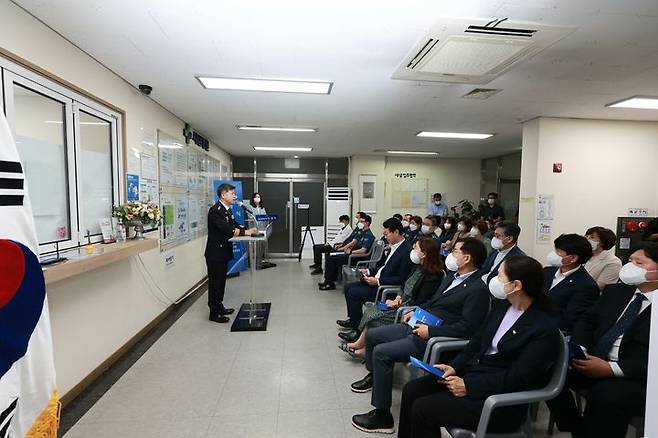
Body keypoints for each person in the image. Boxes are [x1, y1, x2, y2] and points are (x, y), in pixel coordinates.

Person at [396, 256, 560, 438]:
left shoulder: (543, 328)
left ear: (516, 285)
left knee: (423, 409)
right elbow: (477, 341)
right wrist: (454, 366)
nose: (494, 281)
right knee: (412, 390)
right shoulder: (504, 306)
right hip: (475, 374)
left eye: (499, 276)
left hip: (499, 401)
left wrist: (469, 385)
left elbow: (520, 378)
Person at [349, 238, 490, 433]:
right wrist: (416, 312)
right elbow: (433, 301)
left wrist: (430, 331)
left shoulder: (477, 290)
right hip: (419, 324)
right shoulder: (452, 277)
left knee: (382, 352)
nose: (450, 254)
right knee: (373, 335)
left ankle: (382, 416)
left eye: (455, 251)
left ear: (467, 258)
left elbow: (466, 328)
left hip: (432, 338)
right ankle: (376, 376)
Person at [547, 243, 658, 438]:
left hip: (640, 377)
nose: (630, 266)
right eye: (630, 260)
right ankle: (575, 427)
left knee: (606, 394)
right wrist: (580, 347)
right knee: (546, 366)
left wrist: (613, 369)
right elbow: (587, 319)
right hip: (595, 359)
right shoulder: (617, 291)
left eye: (639, 262)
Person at [340, 238, 444, 358]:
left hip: (409, 309)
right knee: (370, 311)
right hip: (401, 302)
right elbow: (404, 285)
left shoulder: (433, 275)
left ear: (424, 254)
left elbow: (422, 300)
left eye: (416, 248)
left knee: (374, 318)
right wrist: (397, 297)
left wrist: (400, 304)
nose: (413, 250)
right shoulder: (417, 267)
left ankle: (365, 350)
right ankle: (360, 344)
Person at [337, 218, 414, 342]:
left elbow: (401, 278)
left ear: (396, 232)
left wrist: (378, 282)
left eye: (387, 234)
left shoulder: (406, 251)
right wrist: (367, 272)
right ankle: (353, 320)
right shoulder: (394, 247)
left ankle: (357, 331)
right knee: (348, 287)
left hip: (386, 289)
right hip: (377, 280)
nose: (385, 237)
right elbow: (383, 267)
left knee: (353, 293)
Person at [204, 183, 258, 323]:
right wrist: (246, 232)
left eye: (234, 193)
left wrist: (247, 229)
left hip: (223, 251)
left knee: (221, 281)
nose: (235, 196)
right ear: (223, 195)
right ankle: (214, 313)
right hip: (215, 253)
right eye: (232, 193)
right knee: (215, 283)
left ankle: (219, 306)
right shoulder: (215, 211)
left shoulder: (227, 210)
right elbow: (227, 229)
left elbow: (234, 225)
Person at [543, 234, 600, 333]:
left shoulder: (586, 285)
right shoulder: (547, 271)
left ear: (573, 258)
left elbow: (569, 319)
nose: (554, 253)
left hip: (554, 333)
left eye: (559, 251)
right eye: (555, 249)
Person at [319, 215, 375, 290]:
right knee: (330, 256)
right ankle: (328, 281)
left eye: (362, 221)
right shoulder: (360, 232)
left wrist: (351, 252)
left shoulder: (369, 235)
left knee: (332, 259)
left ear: (367, 223)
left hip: (357, 257)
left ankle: (330, 283)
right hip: (351, 254)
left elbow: (363, 251)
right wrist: (343, 249)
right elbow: (352, 242)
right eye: (359, 221)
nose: (359, 223)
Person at [479, 221, 525, 285]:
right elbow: (484, 269)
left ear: (509, 239)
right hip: (481, 283)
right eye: (494, 235)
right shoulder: (494, 252)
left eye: (498, 236)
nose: (494, 238)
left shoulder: (518, 258)